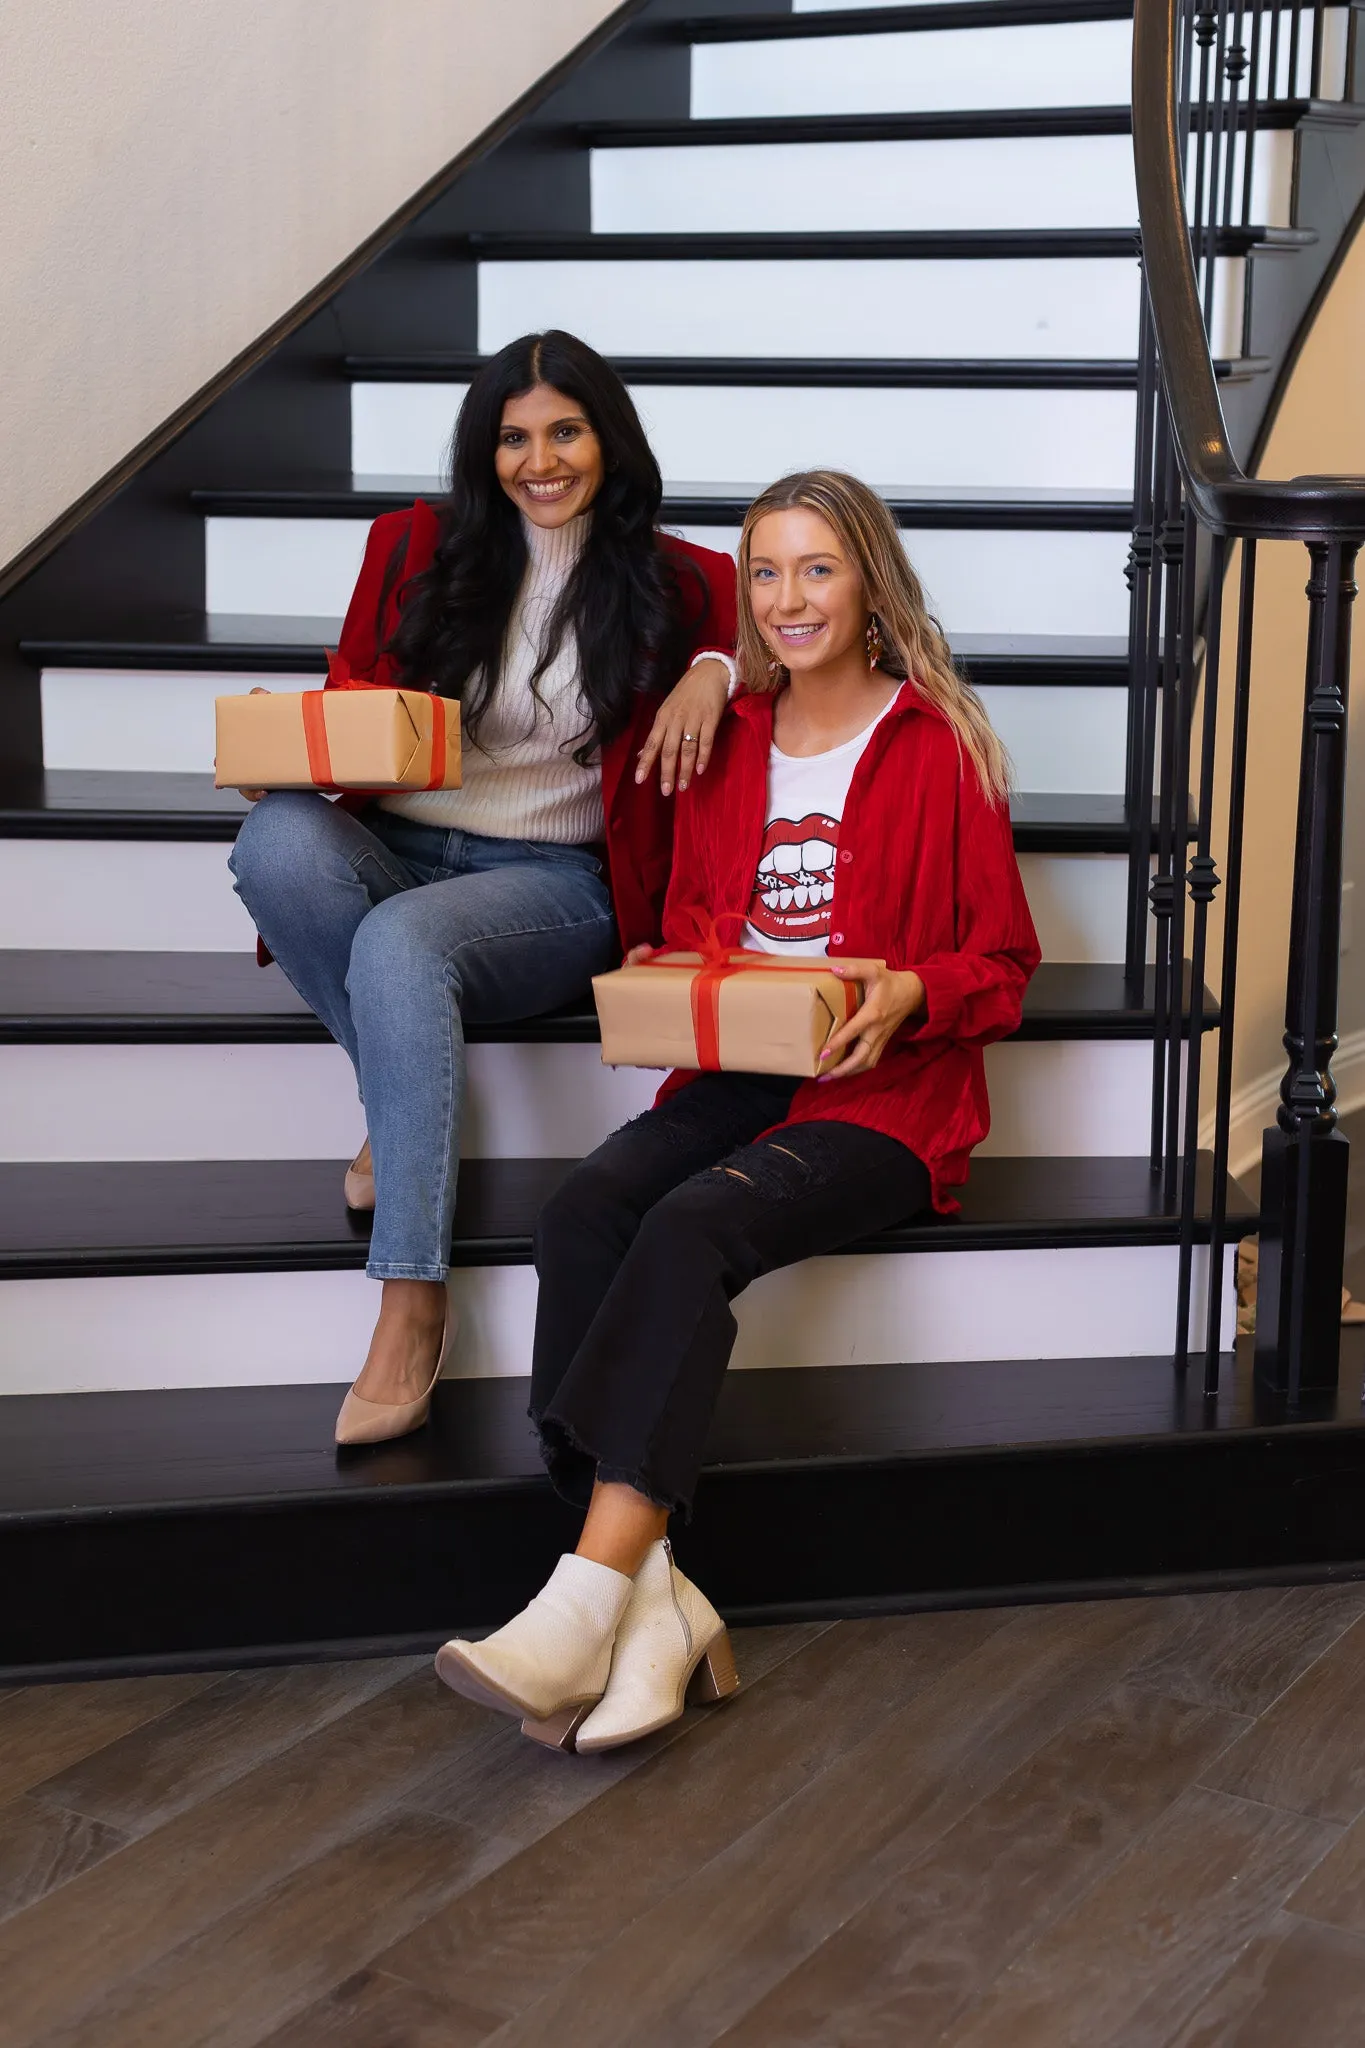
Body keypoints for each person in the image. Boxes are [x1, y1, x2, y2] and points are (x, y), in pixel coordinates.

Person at [435, 469, 1041, 1753]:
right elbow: (703, 916)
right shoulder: (729, 742)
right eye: (765, 572)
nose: (788, 597)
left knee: (692, 1227)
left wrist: (911, 984)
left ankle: (583, 1595)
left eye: (817, 568)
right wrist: (676, 970)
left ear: (870, 580)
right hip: (738, 1065)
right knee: (586, 1209)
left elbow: (1003, 963)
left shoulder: (938, 745)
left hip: (884, 1099)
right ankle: (654, 1603)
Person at [228, 331, 738, 1445]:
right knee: (274, 841)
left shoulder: (677, 578)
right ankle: (390, 1103)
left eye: (565, 431)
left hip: (554, 880)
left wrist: (715, 670)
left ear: (607, 440)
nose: (540, 460)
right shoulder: (414, 546)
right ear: (484, 447)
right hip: (404, 842)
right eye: (514, 436)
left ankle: (411, 1298)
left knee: (403, 945)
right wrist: (308, 749)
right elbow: (356, 698)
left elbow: (777, 628)